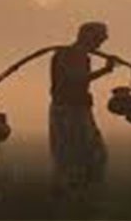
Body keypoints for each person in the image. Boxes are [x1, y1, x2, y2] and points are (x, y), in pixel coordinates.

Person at [48, 21, 117, 198]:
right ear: (87, 36)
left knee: (94, 154)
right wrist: (105, 70)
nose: (102, 41)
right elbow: (75, 80)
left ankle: (85, 194)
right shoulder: (66, 55)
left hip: (80, 109)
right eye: (100, 37)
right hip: (67, 110)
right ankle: (71, 196)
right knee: (71, 155)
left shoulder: (83, 56)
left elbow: (80, 81)